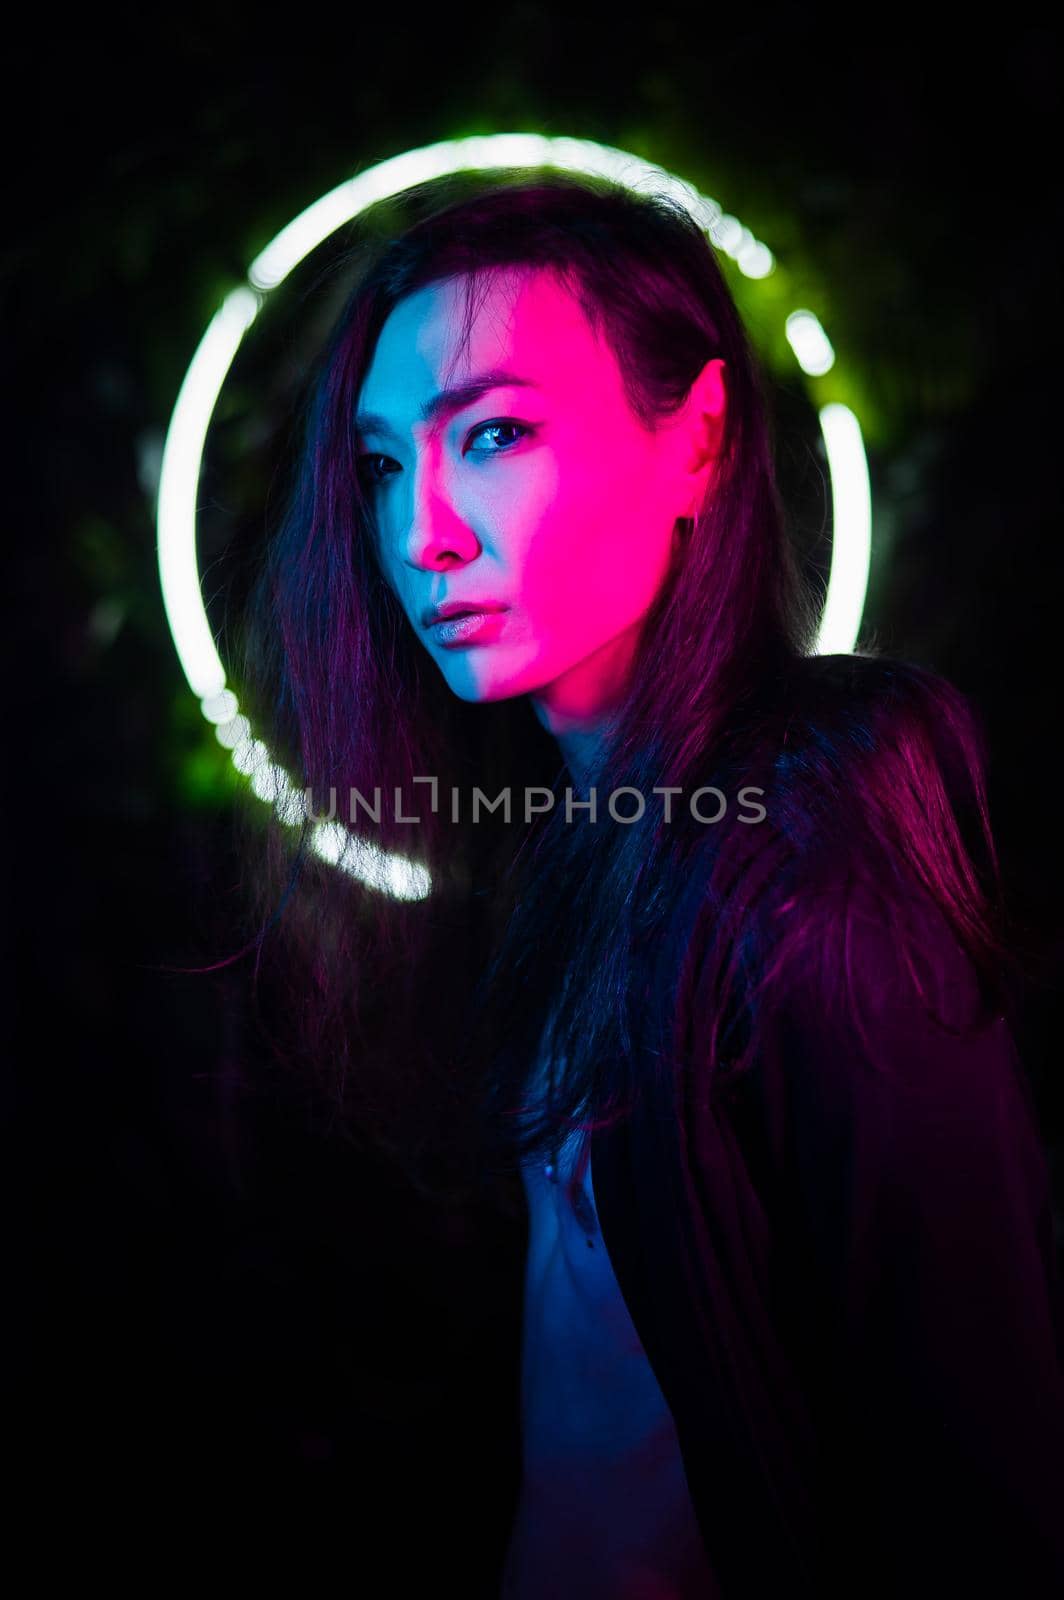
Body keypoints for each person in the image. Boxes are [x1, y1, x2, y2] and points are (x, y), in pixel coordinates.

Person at [237, 169, 1064, 1596]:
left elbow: (974, 1443)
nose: (420, 531)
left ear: (693, 448)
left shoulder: (809, 850)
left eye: (493, 433)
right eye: (380, 466)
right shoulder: (579, 846)